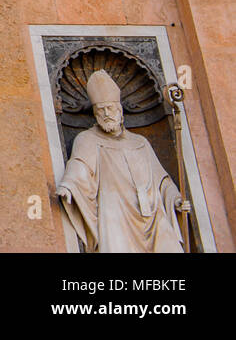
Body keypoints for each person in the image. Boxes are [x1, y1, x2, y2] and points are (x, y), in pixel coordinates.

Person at [56, 69, 187, 253]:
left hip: (152, 212)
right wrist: (69, 185)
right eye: (101, 110)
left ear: (120, 110)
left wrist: (175, 199)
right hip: (115, 212)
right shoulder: (87, 139)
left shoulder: (140, 142)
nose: (106, 113)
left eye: (110, 108)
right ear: (95, 114)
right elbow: (80, 166)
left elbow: (161, 180)